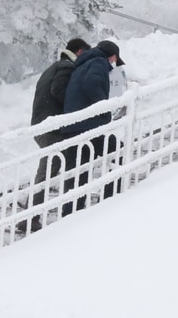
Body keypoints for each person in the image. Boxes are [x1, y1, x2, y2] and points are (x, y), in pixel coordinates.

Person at [26, 39, 90, 232]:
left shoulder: (54, 67)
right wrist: (77, 106)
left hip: (42, 126)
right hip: (52, 128)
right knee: (56, 168)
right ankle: (34, 216)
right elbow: (59, 91)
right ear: (79, 52)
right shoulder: (66, 68)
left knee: (51, 169)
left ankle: (31, 214)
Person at [61, 40, 121, 211]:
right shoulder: (99, 62)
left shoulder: (83, 63)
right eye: (115, 59)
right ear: (111, 55)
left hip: (74, 124)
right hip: (89, 123)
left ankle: (71, 211)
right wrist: (103, 108)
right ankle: (111, 197)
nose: (113, 63)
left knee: (79, 170)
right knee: (118, 151)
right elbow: (91, 83)